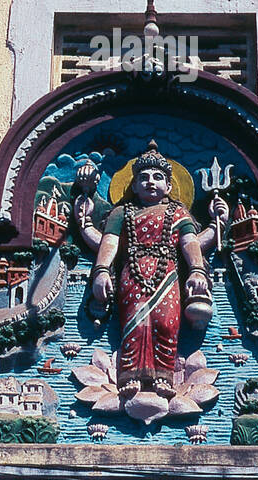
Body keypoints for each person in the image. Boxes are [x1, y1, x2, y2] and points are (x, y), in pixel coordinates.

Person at [87, 141, 222, 399]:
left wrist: (196, 270)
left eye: (158, 177)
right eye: (143, 177)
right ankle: (129, 375)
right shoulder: (121, 213)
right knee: (133, 324)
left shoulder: (178, 213)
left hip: (167, 274)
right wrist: (102, 270)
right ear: (134, 185)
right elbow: (110, 242)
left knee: (166, 322)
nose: (150, 182)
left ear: (169, 186)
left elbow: (190, 243)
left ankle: (164, 375)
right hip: (133, 274)